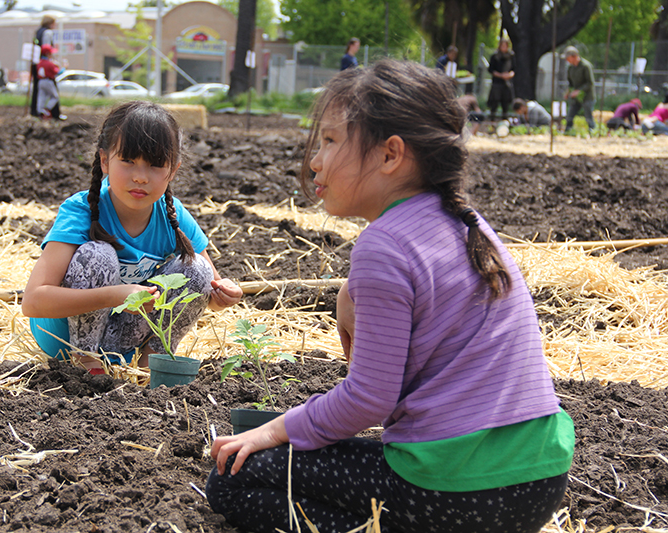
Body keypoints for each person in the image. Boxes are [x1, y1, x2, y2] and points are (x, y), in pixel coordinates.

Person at [206, 59, 574, 533]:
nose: (316, 159)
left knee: (233, 480)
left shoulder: (384, 244)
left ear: (390, 155)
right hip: (539, 482)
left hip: (456, 489)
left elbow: (369, 400)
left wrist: (275, 428)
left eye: (332, 141)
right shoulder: (467, 221)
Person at [22, 101, 243, 373]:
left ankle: (152, 364)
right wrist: (114, 296)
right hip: (65, 338)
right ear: (105, 161)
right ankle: (86, 366)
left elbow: (206, 290)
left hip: (123, 339)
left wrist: (223, 296)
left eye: (155, 165)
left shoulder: (172, 216)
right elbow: (33, 301)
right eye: (128, 161)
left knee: (196, 268)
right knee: (97, 255)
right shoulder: (82, 210)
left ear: (172, 170)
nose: (140, 177)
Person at [562, 46, 596, 131]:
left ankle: (592, 131)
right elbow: (570, 83)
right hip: (575, 97)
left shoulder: (585, 66)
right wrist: (568, 92)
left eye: (567, 57)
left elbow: (590, 83)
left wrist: (579, 91)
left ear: (574, 56)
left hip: (587, 96)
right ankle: (567, 130)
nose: (566, 60)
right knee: (570, 114)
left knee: (588, 115)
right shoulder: (570, 68)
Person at [30, 15, 57, 118]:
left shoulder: (38, 32)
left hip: (37, 62)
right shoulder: (47, 32)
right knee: (53, 94)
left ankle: (36, 111)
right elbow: (47, 47)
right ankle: (52, 113)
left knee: (38, 91)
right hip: (45, 65)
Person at [487, 39, 515, 121]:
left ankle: (504, 122)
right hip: (497, 83)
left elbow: (514, 69)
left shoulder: (511, 56)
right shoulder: (495, 56)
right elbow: (491, 70)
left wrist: (509, 75)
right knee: (494, 104)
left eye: (505, 46)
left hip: (507, 83)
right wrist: (500, 75)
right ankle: (492, 121)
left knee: (505, 104)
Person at [36, 45, 65, 121]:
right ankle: (47, 109)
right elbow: (58, 72)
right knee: (55, 97)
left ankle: (40, 111)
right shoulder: (49, 63)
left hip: (40, 81)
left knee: (41, 96)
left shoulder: (39, 62)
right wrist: (63, 67)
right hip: (48, 81)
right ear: (47, 54)